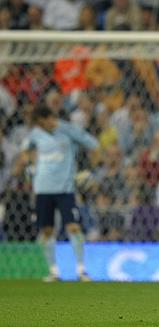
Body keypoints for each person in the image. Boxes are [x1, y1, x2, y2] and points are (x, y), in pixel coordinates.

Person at [21, 104, 99, 282]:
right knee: (47, 230)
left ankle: (81, 270)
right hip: (42, 188)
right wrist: (31, 165)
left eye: (43, 123)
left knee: (73, 226)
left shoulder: (68, 130)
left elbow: (93, 145)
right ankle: (53, 272)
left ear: (50, 118)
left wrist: (90, 169)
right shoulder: (35, 134)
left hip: (64, 189)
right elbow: (25, 150)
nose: (41, 127)